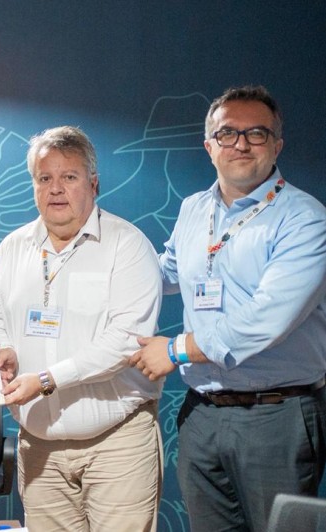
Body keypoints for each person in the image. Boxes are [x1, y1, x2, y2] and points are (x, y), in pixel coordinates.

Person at [131, 85, 326, 532]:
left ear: (277, 144)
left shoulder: (304, 219)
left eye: (256, 134)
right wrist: (103, 270)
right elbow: (164, 275)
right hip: (202, 413)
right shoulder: (194, 209)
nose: (240, 144)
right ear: (209, 146)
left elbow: (267, 317)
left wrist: (177, 350)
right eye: (227, 133)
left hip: (276, 416)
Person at [0, 126, 164, 531]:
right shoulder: (11, 249)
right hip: (39, 448)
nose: (56, 189)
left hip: (116, 444)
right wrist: (5, 349)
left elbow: (124, 341)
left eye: (69, 177)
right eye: (44, 178)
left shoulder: (128, 245)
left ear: (93, 183)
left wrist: (48, 380)